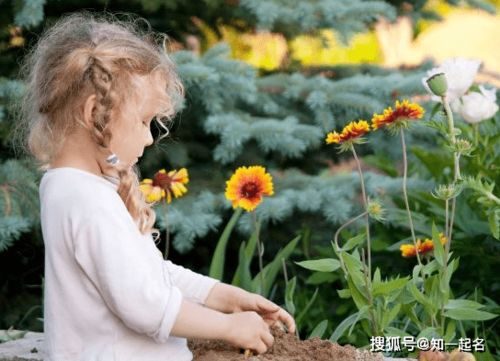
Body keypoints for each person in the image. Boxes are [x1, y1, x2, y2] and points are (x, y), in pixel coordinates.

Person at [14, 12, 295, 361]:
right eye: (145, 121)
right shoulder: (86, 199)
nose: (149, 138)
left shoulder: (77, 186)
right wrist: (228, 327)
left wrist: (222, 296)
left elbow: (148, 276)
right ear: (93, 114)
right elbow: (144, 304)